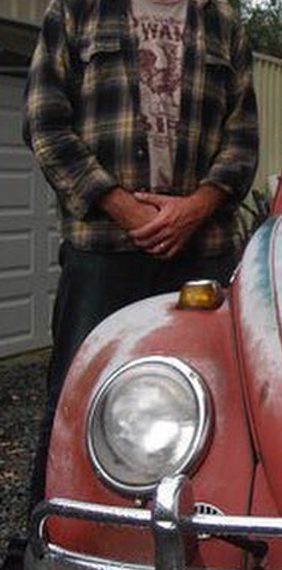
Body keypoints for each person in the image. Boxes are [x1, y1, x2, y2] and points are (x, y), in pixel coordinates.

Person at [21, 0, 258, 513]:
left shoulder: (222, 21)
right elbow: (45, 125)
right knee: (77, 394)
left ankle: (214, 531)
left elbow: (242, 141)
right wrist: (124, 209)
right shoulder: (76, 11)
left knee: (217, 400)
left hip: (201, 254)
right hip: (102, 251)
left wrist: (196, 208)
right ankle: (49, 531)